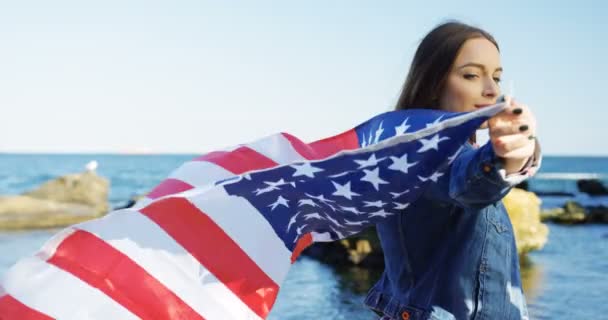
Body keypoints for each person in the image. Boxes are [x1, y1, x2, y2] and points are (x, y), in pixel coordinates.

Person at [364, 21, 541, 320]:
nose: (491, 90)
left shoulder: (414, 148)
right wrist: (507, 157)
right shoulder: (424, 151)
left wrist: (517, 152)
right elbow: (469, 183)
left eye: (496, 77)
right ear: (433, 83)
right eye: (471, 75)